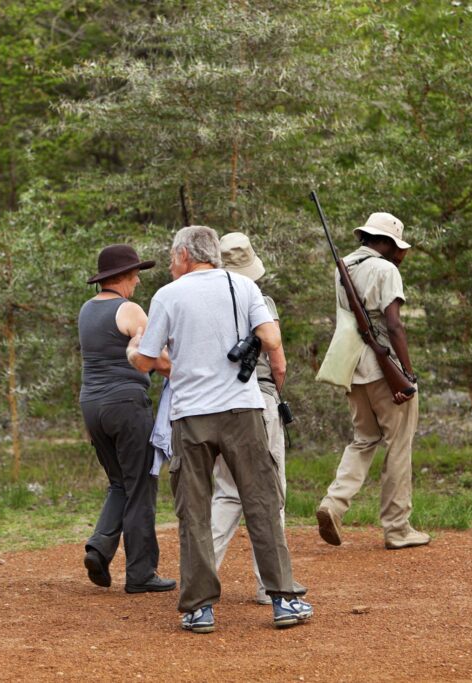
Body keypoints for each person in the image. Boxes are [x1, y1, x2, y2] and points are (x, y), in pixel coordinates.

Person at [127, 225, 312, 634]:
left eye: (173, 256)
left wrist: (133, 347)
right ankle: (283, 599)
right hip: (243, 411)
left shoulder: (167, 296)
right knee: (261, 502)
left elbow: (145, 361)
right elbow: (271, 337)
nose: (172, 263)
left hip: (190, 415)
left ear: (185, 256)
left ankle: (200, 608)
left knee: (193, 511)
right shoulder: (244, 288)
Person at [315, 212, 430, 550]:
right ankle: (397, 528)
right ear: (389, 243)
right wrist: (406, 372)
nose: (402, 254)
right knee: (398, 443)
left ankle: (333, 504)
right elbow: (393, 324)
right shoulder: (385, 269)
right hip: (384, 368)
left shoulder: (344, 268)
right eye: (400, 247)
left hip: (352, 365)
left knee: (363, 439)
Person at [79, 244, 176, 594]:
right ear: (121, 277)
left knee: (120, 482)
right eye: (134, 274)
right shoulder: (129, 309)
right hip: (126, 405)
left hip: (92, 404)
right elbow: (157, 358)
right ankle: (141, 572)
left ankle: (100, 547)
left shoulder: (87, 310)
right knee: (140, 485)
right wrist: (186, 376)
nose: (137, 280)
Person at [209, 232, 290, 606]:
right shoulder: (260, 300)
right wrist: (275, 391)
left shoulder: (203, 304)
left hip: (217, 406)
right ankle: (270, 584)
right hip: (258, 401)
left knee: (226, 492)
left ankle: (201, 577)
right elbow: (278, 361)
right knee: (270, 494)